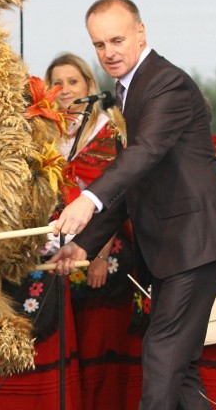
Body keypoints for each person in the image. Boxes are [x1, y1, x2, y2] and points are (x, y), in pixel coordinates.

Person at [51, 0, 216, 410]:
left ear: (141, 33)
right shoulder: (128, 90)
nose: (108, 53)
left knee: (162, 357)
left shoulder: (166, 83)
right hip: (172, 251)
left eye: (116, 40)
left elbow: (142, 154)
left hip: (192, 247)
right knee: (179, 372)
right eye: (98, 45)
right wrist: (83, 245)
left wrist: (87, 200)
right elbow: (135, 185)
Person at [47, 52, 142, 410]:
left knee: (102, 340)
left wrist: (100, 253)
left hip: (105, 250)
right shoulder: (49, 133)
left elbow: (118, 193)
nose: (66, 89)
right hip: (61, 251)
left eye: (73, 81)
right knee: (75, 346)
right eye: (58, 82)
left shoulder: (109, 130)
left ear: (89, 85)